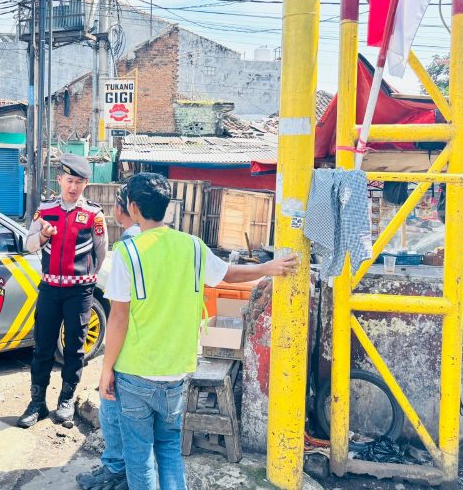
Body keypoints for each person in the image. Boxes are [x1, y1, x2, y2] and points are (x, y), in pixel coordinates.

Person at [99, 173, 298, 490]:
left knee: (140, 460)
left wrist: (106, 369)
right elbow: (227, 274)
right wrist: (267, 268)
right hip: (177, 371)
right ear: (167, 207)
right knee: (169, 452)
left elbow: (119, 319)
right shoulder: (192, 246)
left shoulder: (127, 252)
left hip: (135, 372)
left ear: (133, 208)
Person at [17, 154, 107, 429]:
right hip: (49, 288)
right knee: (42, 345)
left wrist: (86, 277)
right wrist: (44, 235)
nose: (73, 187)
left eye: (79, 182)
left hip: (79, 292)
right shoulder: (44, 210)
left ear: (86, 184)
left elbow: (100, 252)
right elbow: (29, 245)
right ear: (59, 180)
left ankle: (66, 400)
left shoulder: (94, 214)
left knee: (75, 347)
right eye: (69, 180)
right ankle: (37, 403)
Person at [77, 183, 137, 490]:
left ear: (122, 210)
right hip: (158, 352)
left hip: (131, 347)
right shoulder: (175, 242)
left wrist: (106, 366)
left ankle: (116, 469)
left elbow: (118, 315)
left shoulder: (129, 243)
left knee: (111, 402)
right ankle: (125, 468)